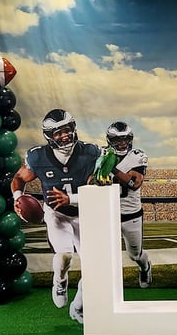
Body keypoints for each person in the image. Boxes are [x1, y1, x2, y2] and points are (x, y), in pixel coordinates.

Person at [11, 109, 100, 323]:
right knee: (64, 255)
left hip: (84, 213)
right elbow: (18, 179)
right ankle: (60, 281)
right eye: (58, 133)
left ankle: (78, 308)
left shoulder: (90, 153)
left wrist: (71, 199)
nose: (64, 135)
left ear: (73, 129)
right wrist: (17, 198)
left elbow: (96, 188)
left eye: (67, 130)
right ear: (49, 136)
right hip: (56, 214)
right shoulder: (38, 157)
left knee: (94, 268)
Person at [101, 121, 152, 288]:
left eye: (125, 139)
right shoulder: (101, 154)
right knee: (104, 252)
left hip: (131, 214)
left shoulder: (137, 156)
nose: (123, 143)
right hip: (108, 212)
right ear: (110, 140)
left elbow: (134, 183)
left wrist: (111, 168)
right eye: (118, 140)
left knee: (134, 255)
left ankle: (145, 267)